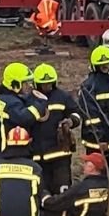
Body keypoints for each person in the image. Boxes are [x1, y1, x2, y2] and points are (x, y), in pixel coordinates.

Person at [27, 63, 81, 199]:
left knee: (62, 191)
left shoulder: (62, 97)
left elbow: (77, 113)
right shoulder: (28, 100)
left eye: (50, 84)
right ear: (36, 84)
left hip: (60, 154)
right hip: (36, 156)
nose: (47, 87)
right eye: (44, 84)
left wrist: (70, 121)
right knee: (40, 192)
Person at [43, 151, 109, 216]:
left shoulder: (81, 188)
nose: (83, 165)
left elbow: (56, 203)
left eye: (86, 163)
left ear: (92, 167)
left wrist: (44, 195)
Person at [78, 46, 109, 167]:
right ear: (95, 66)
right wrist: (99, 138)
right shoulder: (89, 86)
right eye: (102, 65)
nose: (105, 67)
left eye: (107, 64)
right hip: (96, 142)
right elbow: (90, 116)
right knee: (97, 173)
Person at [0, 62, 37, 160]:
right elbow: (24, 118)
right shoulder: (11, 104)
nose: (29, 86)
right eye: (25, 83)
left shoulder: (0, 99)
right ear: (15, 84)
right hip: (6, 157)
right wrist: (39, 105)